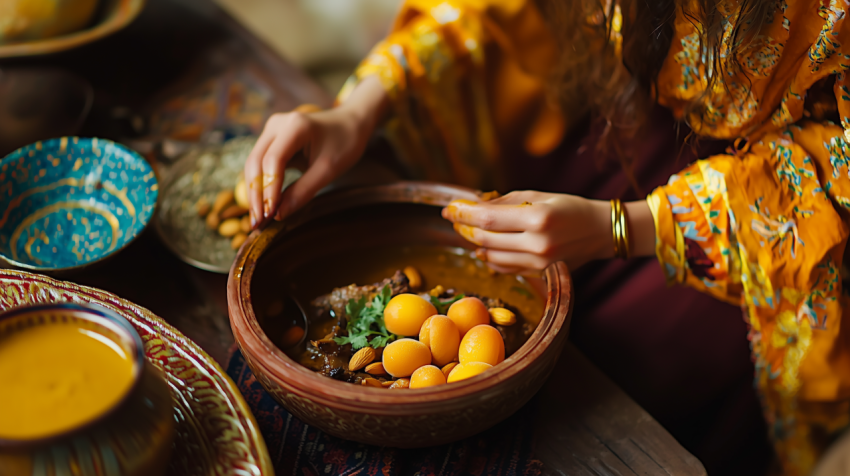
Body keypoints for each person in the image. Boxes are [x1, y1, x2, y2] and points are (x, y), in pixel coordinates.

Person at [244, 0, 850, 474]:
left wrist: (625, 226)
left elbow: (837, 162)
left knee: (627, 375)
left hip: (780, 206)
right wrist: (358, 109)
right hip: (629, 95)